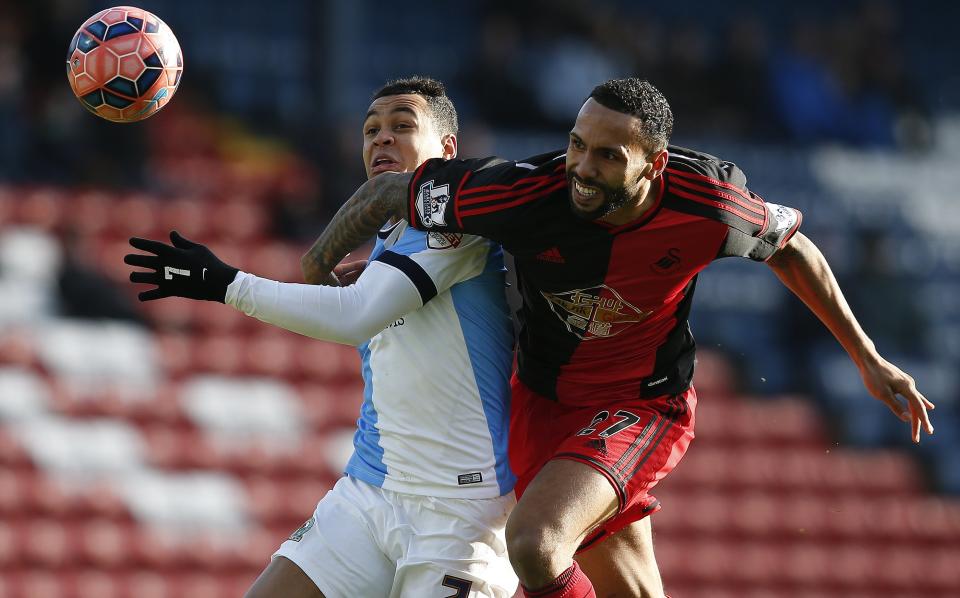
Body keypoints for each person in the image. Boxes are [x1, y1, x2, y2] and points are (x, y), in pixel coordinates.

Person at [298, 78, 936, 598]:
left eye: (608, 155)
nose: (582, 167)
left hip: (641, 404)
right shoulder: (526, 190)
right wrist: (320, 266)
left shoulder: (710, 198)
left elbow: (792, 249)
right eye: (577, 145)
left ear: (655, 164)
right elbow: (387, 192)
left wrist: (866, 357)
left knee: (535, 546)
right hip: (541, 400)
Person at [125, 77, 520, 598]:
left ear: (447, 149)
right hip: (369, 492)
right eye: (371, 130)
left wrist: (227, 283)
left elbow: (354, 316)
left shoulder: (458, 226)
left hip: (457, 515)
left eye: (403, 126)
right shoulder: (388, 240)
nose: (382, 138)